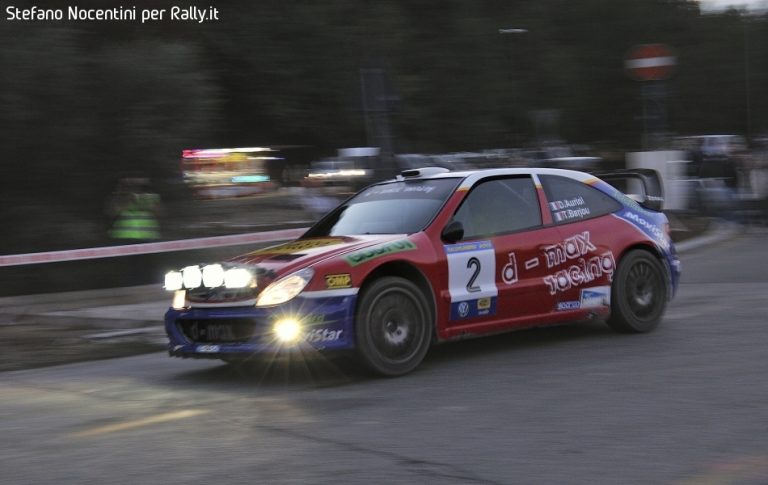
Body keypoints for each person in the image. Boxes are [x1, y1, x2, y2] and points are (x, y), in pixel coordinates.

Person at [106, 177, 162, 243]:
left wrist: (146, 204)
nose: (134, 186)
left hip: (148, 237)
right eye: (130, 184)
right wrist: (126, 198)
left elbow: (160, 213)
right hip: (123, 238)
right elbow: (112, 212)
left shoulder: (151, 197)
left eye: (136, 184)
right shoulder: (118, 198)